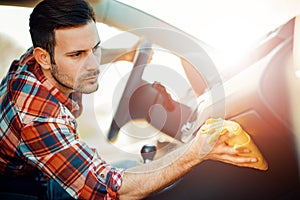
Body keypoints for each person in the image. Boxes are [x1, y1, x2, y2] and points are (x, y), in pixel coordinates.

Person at [0, 0, 258, 199]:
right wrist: (193, 153)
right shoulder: (37, 117)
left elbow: (81, 53)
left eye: (96, 48)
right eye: (77, 55)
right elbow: (108, 191)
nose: (92, 66)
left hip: (38, 175)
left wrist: (123, 54)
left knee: (129, 165)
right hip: (30, 190)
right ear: (43, 57)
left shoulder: (37, 60)